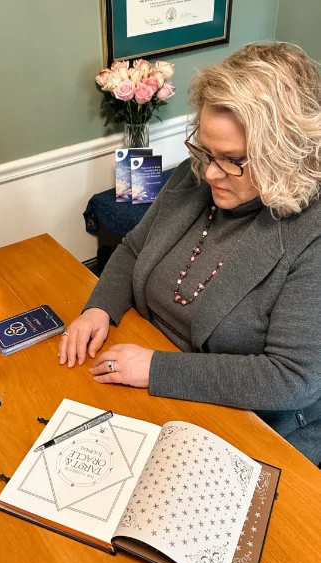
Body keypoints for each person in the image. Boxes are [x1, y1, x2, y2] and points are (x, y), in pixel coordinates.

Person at [58, 42, 321, 467]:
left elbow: (292, 379)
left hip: (248, 426)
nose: (210, 172)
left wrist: (159, 370)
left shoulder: (311, 237)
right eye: (205, 151)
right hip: (148, 378)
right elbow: (131, 249)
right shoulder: (194, 176)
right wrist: (100, 310)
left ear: (286, 154)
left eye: (233, 160)